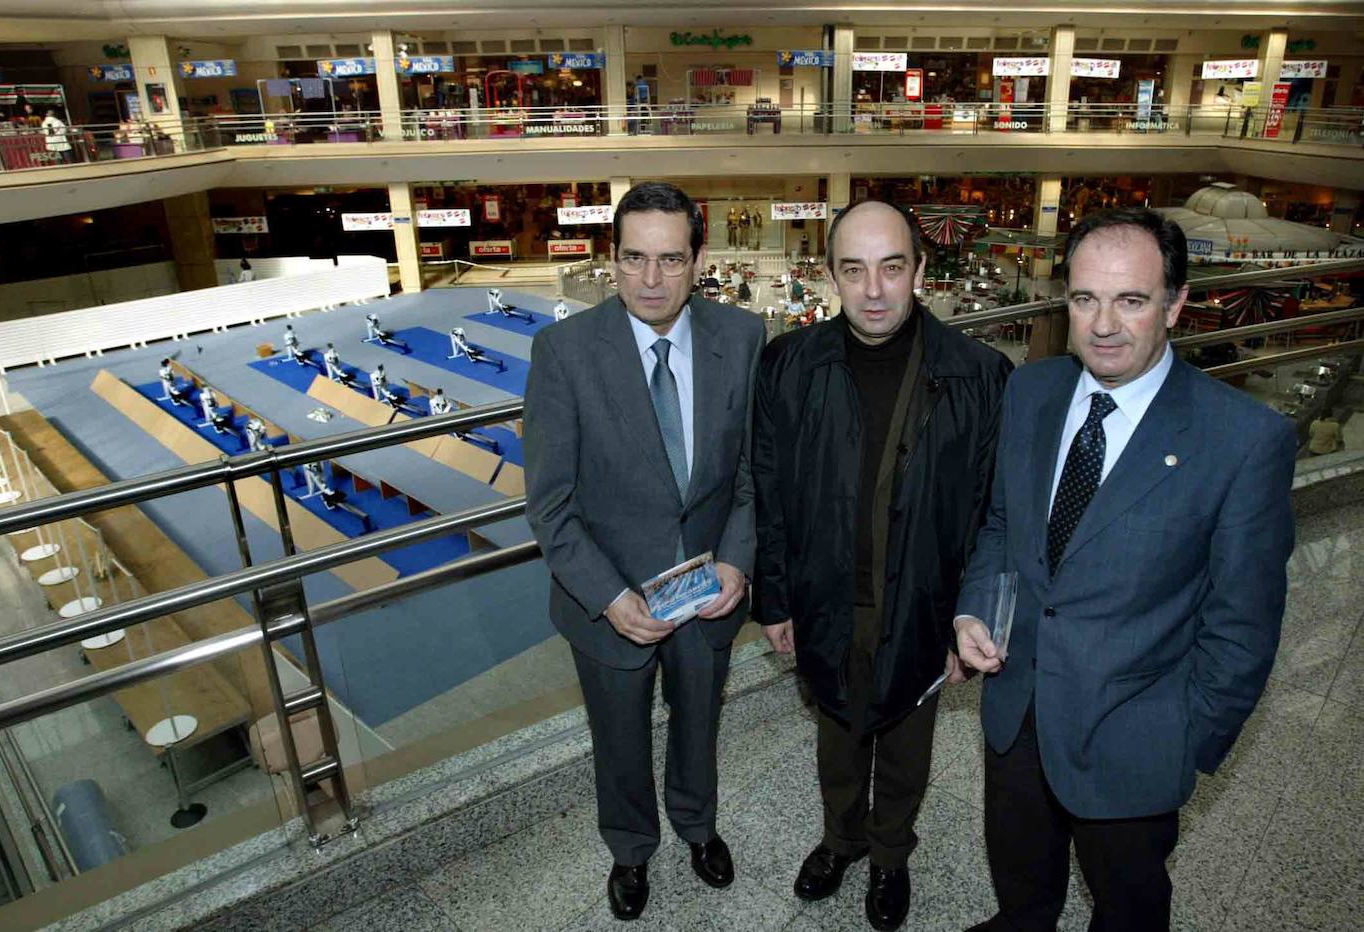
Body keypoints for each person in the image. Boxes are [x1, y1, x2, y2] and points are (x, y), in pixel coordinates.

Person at [953, 207, 1297, 932]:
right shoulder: (1033, 391)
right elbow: (1003, 526)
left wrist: (1181, 742)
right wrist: (974, 609)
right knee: (1021, 887)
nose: (1103, 324)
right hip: (1016, 715)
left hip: (1133, 743)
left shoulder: (1243, 439)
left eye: (1130, 300)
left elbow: (1243, 627)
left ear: (1175, 304)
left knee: (1128, 907)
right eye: (1085, 299)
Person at [753, 201, 1011, 932]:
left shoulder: (981, 376)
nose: (873, 291)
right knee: (836, 733)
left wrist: (972, 619)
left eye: (892, 268)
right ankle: (842, 840)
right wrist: (775, 603)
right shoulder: (789, 365)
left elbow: (994, 513)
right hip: (824, 595)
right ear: (830, 273)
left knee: (906, 743)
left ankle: (891, 854)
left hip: (928, 603)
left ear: (921, 271)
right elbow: (768, 491)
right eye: (855, 270)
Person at [523, 181, 765, 922]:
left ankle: (697, 826)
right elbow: (551, 504)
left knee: (701, 724)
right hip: (609, 600)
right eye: (633, 259)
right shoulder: (563, 351)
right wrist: (608, 595)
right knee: (618, 739)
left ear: (698, 261)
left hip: (708, 591)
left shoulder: (744, 337)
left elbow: (757, 475)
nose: (650, 280)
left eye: (669, 260)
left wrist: (736, 560)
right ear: (611, 258)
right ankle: (631, 849)